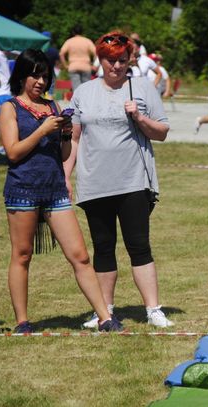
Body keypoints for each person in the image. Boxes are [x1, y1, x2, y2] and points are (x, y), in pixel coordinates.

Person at [0, 49, 121, 334]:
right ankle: (22, 322)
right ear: (22, 76)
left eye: (45, 76)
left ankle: (105, 318)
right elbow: (13, 153)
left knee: (79, 255)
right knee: (22, 255)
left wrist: (64, 132)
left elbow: (65, 153)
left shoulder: (53, 107)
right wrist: (42, 130)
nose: (41, 81)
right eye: (35, 75)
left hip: (54, 190)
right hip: (23, 189)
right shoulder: (10, 108)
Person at [63, 31, 175, 329]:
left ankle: (153, 309)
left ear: (130, 60)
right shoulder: (83, 92)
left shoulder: (141, 88)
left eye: (122, 60)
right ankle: (105, 310)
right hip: (94, 182)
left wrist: (139, 117)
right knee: (102, 246)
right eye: (110, 60)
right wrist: (65, 175)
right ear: (99, 59)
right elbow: (74, 139)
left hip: (133, 181)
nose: (116, 66)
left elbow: (162, 132)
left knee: (139, 245)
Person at [59, 25, 96, 90]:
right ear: (82, 32)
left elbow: (61, 53)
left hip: (73, 66)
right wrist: (94, 65)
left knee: (76, 89)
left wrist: (65, 65)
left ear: (73, 32)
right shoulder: (87, 41)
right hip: (86, 66)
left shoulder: (69, 41)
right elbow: (96, 53)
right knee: (87, 88)